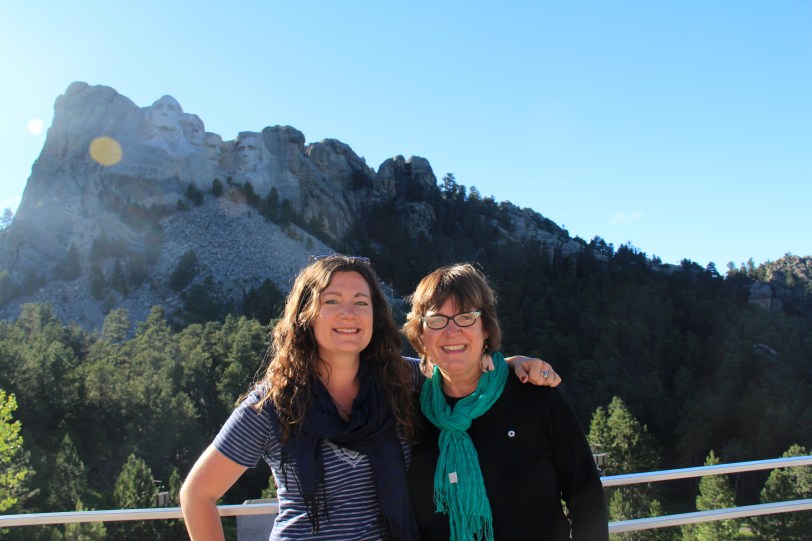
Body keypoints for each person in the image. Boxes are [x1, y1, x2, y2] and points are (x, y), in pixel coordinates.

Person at [180, 255, 560, 540]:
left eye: (361, 302)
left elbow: (460, 369)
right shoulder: (272, 405)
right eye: (332, 301)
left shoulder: (402, 377)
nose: (349, 312)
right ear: (306, 316)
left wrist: (513, 363)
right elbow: (197, 495)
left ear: (375, 315)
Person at [403, 263, 608, 541]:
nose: (451, 331)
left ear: (485, 328)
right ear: (421, 334)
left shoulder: (534, 395)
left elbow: (585, 494)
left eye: (465, 317)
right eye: (437, 320)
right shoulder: (411, 412)